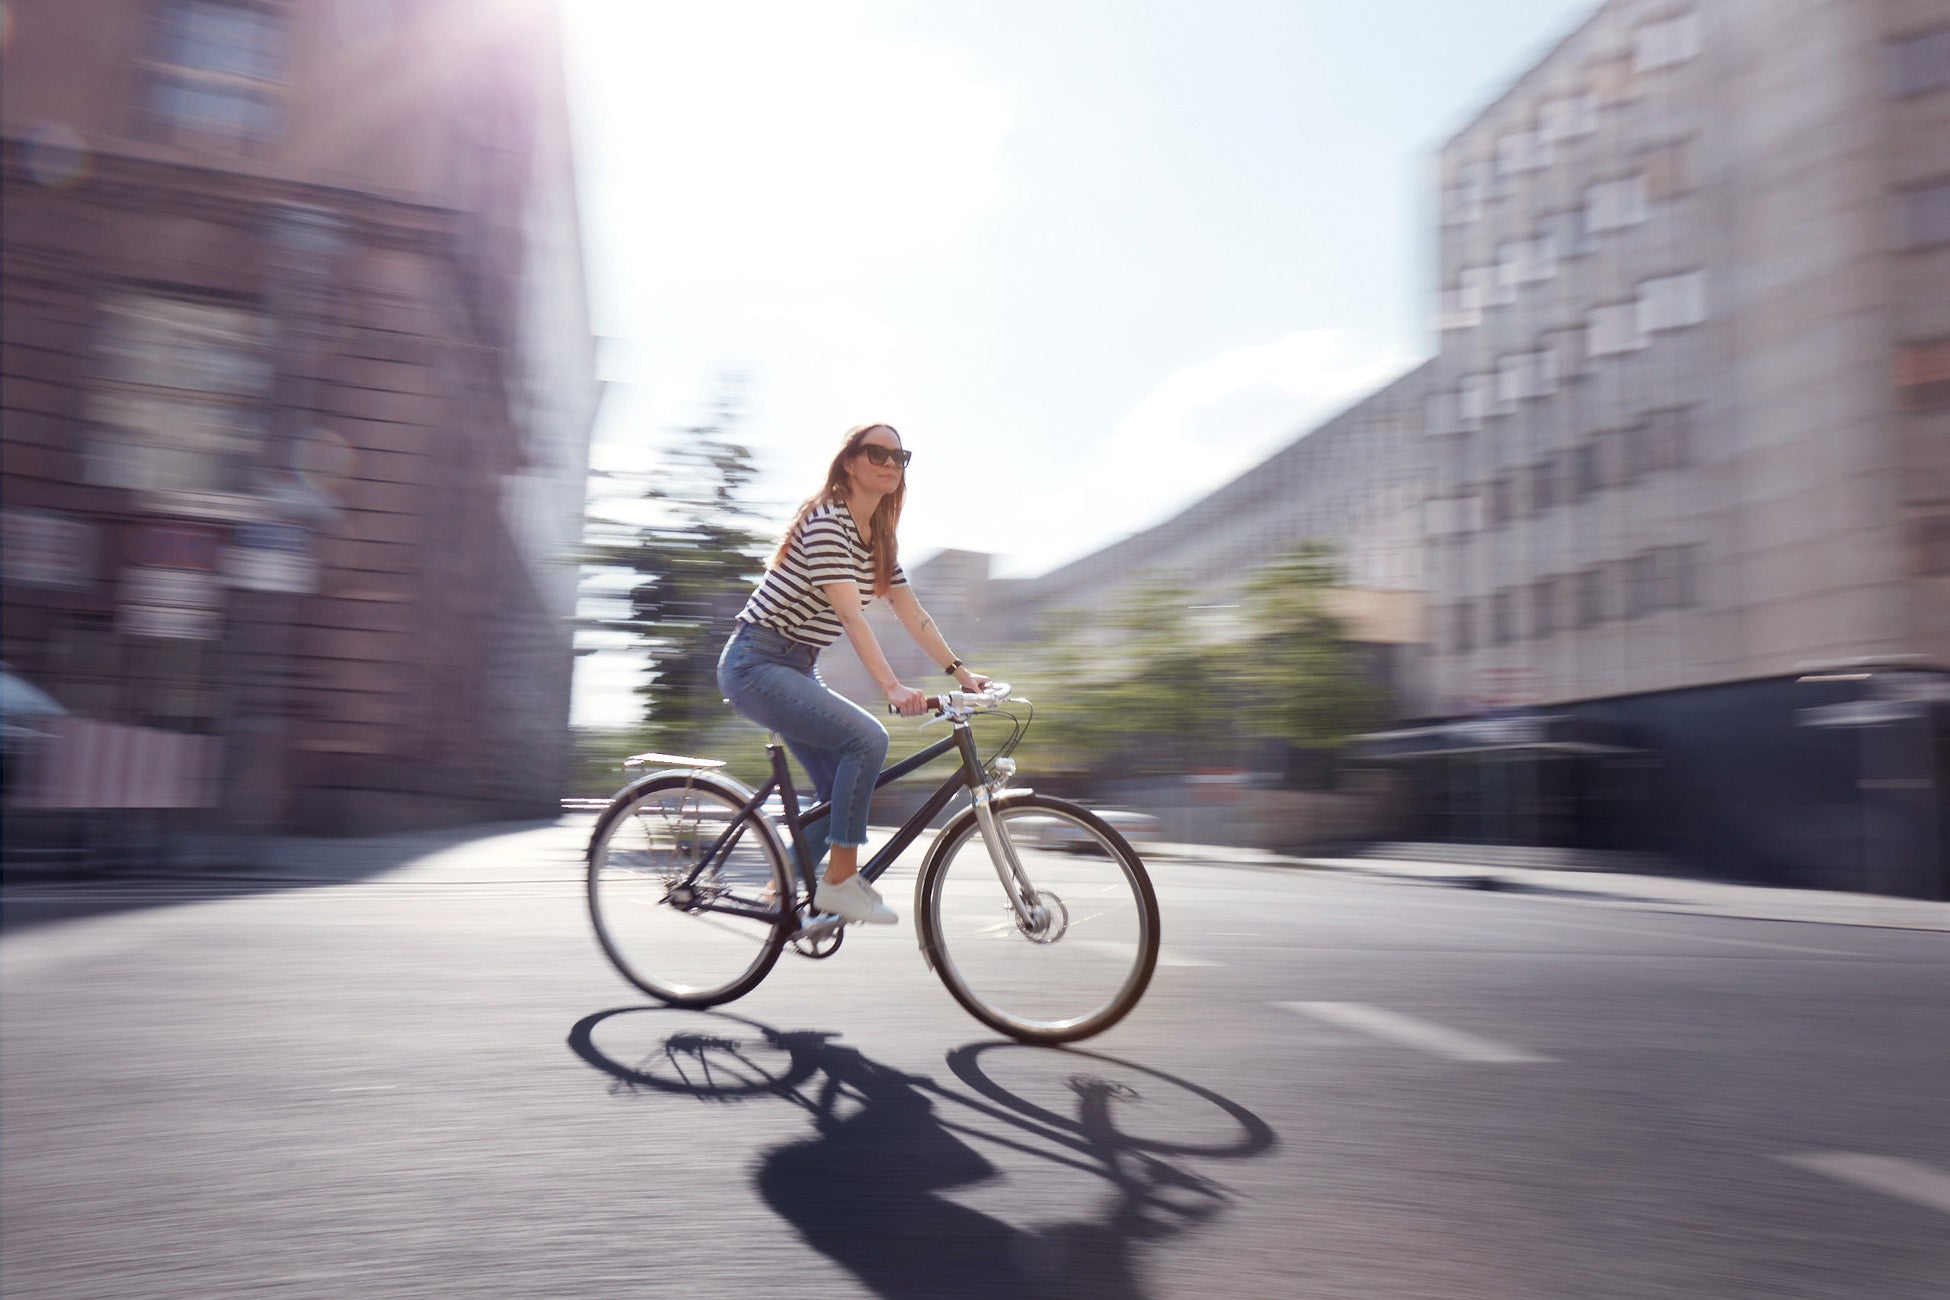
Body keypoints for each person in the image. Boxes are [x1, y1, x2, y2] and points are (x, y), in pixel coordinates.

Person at [717, 423, 990, 925]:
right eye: (877, 453)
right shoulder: (826, 523)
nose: (890, 463)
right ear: (849, 462)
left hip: (797, 666)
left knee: (833, 794)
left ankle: (782, 893)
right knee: (866, 741)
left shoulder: (880, 540)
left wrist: (960, 673)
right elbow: (850, 615)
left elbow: (913, 614)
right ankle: (840, 881)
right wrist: (891, 686)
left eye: (899, 455)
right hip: (756, 663)